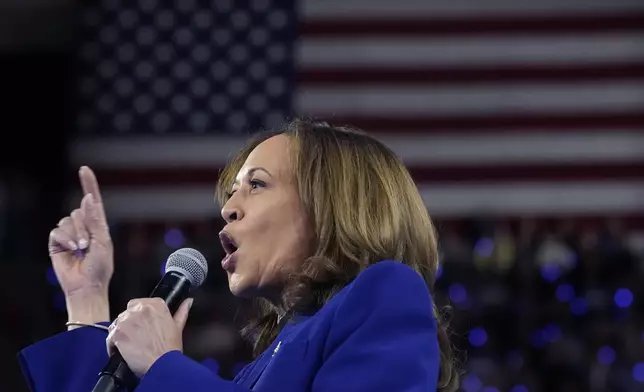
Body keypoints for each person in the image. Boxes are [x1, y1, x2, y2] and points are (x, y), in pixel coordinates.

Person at [18, 119, 460, 392]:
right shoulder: (260, 367)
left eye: (258, 184)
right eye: (232, 192)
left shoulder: (388, 291)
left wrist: (163, 367)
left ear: (332, 204)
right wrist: (88, 297)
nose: (228, 208)